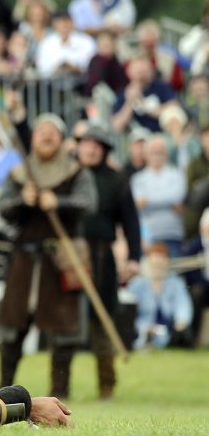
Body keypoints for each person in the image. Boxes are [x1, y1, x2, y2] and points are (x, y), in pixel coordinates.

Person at [0, 94, 98, 399]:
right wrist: (21, 201)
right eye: (41, 133)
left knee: (64, 329)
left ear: (63, 141)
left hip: (62, 260)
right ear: (34, 139)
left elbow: (89, 204)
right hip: (25, 261)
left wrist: (60, 202)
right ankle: (4, 390)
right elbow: (3, 208)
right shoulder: (20, 174)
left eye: (52, 135)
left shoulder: (77, 172)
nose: (46, 138)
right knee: (12, 328)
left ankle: (60, 391)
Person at [75, 124, 141, 399]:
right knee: (62, 320)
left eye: (96, 145)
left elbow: (131, 222)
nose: (90, 149)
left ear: (103, 150)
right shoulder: (68, 175)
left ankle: (107, 386)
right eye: (85, 143)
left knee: (103, 319)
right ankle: (59, 386)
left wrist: (135, 257)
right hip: (66, 257)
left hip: (102, 256)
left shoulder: (116, 180)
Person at [127, 243, 193, 349]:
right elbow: (128, 314)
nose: (157, 266)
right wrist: (144, 327)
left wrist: (181, 321)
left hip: (170, 329)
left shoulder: (176, 283)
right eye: (154, 263)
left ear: (167, 263)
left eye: (161, 262)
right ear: (148, 262)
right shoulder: (137, 284)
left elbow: (183, 304)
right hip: (143, 330)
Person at [131, 136, 187, 256]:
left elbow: (177, 197)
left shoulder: (177, 175)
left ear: (167, 154)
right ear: (146, 155)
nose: (157, 155)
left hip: (173, 234)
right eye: (153, 152)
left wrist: (147, 201)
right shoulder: (137, 179)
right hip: (147, 237)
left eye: (160, 152)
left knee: (174, 272)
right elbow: (138, 203)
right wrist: (168, 202)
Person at [35, 11, 95, 78]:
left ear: (72, 23)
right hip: (53, 83)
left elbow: (91, 63)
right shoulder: (46, 43)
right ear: (54, 24)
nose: (64, 25)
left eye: (66, 21)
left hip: (81, 81)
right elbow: (42, 67)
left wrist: (73, 67)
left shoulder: (86, 41)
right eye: (60, 22)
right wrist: (57, 68)